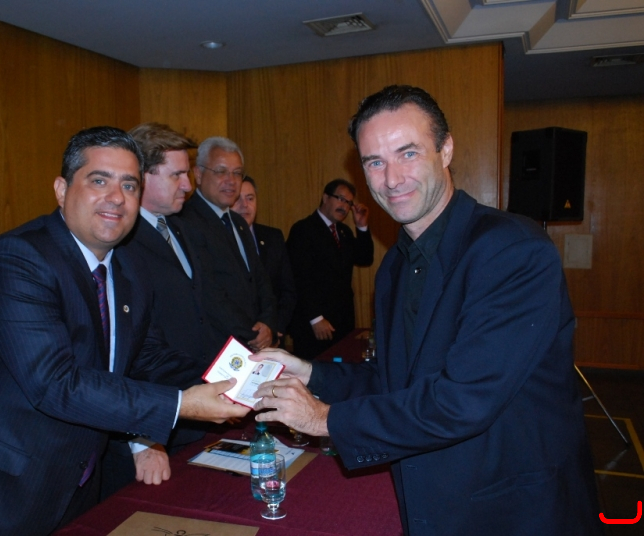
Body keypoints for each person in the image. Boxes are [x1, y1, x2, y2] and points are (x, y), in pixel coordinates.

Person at [251, 86, 602, 535]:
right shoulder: (395, 267)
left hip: (513, 511)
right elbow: (395, 381)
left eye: (408, 153)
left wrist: (323, 418)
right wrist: (310, 374)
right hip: (433, 502)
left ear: (446, 149)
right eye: (374, 162)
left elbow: (462, 401)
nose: (392, 179)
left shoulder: (512, 249)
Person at [0, 127, 249, 536]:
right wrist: (181, 405)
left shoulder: (129, 267)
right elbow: (56, 384)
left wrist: (239, 379)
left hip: (77, 481)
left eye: (129, 185)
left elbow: (146, 357)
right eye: (99, 181)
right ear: (61, 190)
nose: (117, 197)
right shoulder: (17, 259)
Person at [103, 123, 206, 496]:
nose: (188, 185)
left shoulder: (178, 227)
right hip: (154, 419)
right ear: (142, 177)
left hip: (194, 403)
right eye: (177, 174)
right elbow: (125, 349)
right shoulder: (119, 240)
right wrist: (144, 437)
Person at [179, 137, 276, 353]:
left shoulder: (239, 222)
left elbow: (260, 280)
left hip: (254, 342)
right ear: (198, 174)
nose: (231, 181)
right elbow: (209, 294)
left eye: (237, 173)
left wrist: (268, 323)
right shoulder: (186, 222)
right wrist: (252, 334)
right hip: (219, 347)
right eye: (221, 171)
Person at [286, 178, 374, 359]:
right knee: (315, 371)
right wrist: (315, 318)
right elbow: (297, 278)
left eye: (349, 203)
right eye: (340, 199)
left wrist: (361, 226)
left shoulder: (344, 232)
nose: (344, 207)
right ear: (325, 197)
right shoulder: (303, 229)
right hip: (314, 324)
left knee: (341, 368)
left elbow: (365, 258)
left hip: (342, 322)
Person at [232, 176, 296, 347]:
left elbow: (287, 290)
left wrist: (275, 330)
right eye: (237, 199)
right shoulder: (219, 241)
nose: (245, 205)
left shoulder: (273, 237)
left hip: (273, 341)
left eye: (250, 198)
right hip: (236, 342)